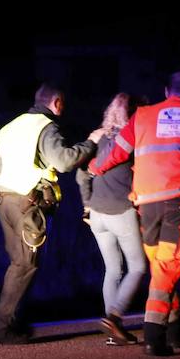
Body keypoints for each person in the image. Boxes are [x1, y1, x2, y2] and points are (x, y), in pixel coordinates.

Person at [88, 72, 180, 356]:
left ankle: (174, 328)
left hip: (146, 204)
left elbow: (118, 151)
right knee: (169, 266)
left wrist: (96, 168)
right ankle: (153, 332)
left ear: (165, 90)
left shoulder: (144, 115)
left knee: (161, 266)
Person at [0, 83, 97, 344]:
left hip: (3, 200)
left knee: (18, 264)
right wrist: (90, 145)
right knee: (25, 265)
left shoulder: (10, 127)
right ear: (57, 102)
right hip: (26, 203)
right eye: (63, 104)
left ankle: (14, 322)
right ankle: (1, 328)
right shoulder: (46, 127)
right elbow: (64, 161)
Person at [76, 93, 145, 345]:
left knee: (113, 269)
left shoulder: (96, 138)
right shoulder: (134, 140)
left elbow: (81, 175)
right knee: (138, 267)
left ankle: (112, 330)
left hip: (96, 212)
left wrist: (86, 205)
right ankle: (114, 319)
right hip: (120, 210)